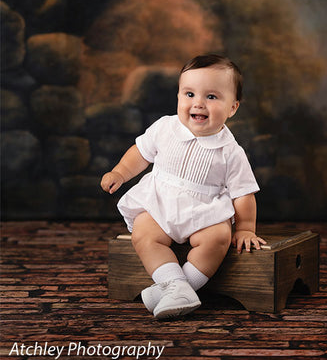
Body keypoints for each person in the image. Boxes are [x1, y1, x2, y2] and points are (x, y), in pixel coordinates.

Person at [100, 54, 265, 319]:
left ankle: (176, 288)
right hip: (161, 203)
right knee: (143, 232)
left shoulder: (231, 151)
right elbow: (141, 153)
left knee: (219, 238)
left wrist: (245, 228)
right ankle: (175, 285)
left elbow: (243, 194)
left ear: (233, 108)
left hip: (205, 209)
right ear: (178, 96)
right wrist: (120, 171)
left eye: (211, 97)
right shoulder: (165, 127)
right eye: (189, 94)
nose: (198, 103)